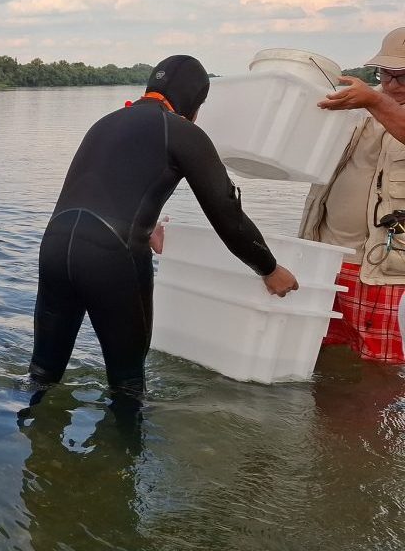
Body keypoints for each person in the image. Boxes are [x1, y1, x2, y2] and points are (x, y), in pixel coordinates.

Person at [29, 55, 299, 403]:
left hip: (55, 245)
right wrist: (269, 267)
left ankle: (30, 445)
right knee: (127, 387)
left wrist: (143, 226)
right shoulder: (183, 132)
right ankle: (123, 454)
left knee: (42, 375)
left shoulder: (107, 121)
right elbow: (228, 216)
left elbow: (104, 192)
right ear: (194, 103)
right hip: (112, 257)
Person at [303, 26, 405, 364]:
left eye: (402, 76)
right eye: (385, 74)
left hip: (385, 270)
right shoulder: (361, 102)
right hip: (330, 259)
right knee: (323, 359)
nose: (390, 85)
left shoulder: (371, 100)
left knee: (381, 371)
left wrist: (374, 100)